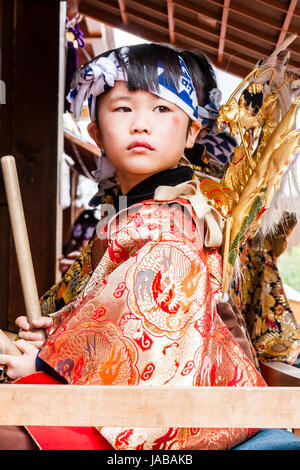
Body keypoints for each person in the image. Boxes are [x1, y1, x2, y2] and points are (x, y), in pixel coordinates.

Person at [1, 43, 299, 451]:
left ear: (193, 130)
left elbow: (146, 326)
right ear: (96, 133)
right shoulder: (134, 211)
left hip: (185, 407)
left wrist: (44, 361)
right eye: (123, 108)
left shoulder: (173, 222)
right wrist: (52, 336)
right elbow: (103, 307)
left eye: (162, 108)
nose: (141, 124)